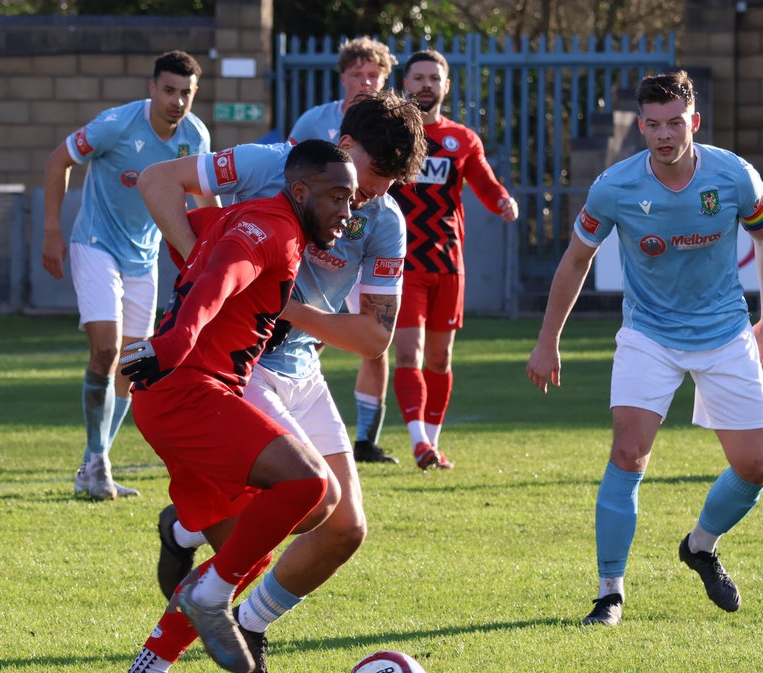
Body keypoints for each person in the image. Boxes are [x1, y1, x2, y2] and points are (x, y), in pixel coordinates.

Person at [111, 97, 426, 673]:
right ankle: (203, 588)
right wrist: (200, 277)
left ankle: (231, 619)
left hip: (299, 367)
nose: (359, 199)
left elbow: (374, 337)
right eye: (351, 183)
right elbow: (160, 184)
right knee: (295, 504)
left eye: (380, 186)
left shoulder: (379, 218)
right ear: (326, 159)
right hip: (233, 369)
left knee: (341, 530)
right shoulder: (274, 171)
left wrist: (276, 301)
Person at [526, 71, 763, 626]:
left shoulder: (735, 177)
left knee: (755, 464)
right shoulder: (615, 187)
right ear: (640, 127)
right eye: (652, 125)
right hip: (648, 335)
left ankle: (700, 546)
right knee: (629, 454)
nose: (663, 134)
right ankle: (610, 593)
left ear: (694, 122)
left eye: (674, 123)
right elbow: (576, 259)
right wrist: (547, 340)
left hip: (725, 332)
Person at [41, 50, 214, 501]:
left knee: (133, 365)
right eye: (169, 90)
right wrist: (51, 230)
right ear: (152, 88)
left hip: (144, 258)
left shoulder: (195, 136)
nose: (177, 101)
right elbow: (59, 160)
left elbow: (204, 203)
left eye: (186, 93)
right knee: (105, 349)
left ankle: (95, 462)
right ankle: (96, 463)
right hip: (94, 244)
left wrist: (214, 260)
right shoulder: (116, 124)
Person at [389, 50, 518, 470]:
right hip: (401, 262)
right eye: (418, 77)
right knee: (408, 353)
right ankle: (417, 443)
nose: (426, 84)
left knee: (440, 360)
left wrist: (502, 200)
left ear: (446, 86)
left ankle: (433, 442)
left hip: (447, 262)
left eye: (434, 78)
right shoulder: (390, 136)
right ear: (404, 83)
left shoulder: (461, 139)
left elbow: (484, 181)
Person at [288, 37, 403, 465]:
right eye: (358, 74)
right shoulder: (311, 123)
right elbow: (283, 175)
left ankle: (366, 438)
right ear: (343, 78)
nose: (366, 81)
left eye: (374, 75)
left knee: (374, 337)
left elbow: (374, 335)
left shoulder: (392, 134)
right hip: (314, 254)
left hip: (365, 248)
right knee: (308, 333)